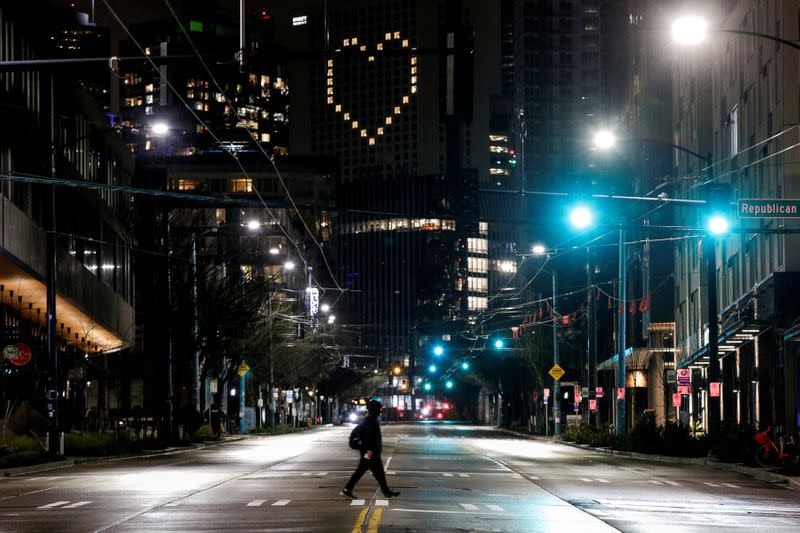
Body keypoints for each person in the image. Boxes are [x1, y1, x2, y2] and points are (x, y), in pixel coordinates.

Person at [341, 399, 400, 499]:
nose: (381, 411)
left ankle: (386, 492)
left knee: (377, 473)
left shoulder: (370, 419)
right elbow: (369, 438)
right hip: (369, 452)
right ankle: (347, 489)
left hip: (371, 452)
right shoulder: (370, 421)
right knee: (366, 471)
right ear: (374, 410)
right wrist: (370, 452)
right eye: (379, 409)